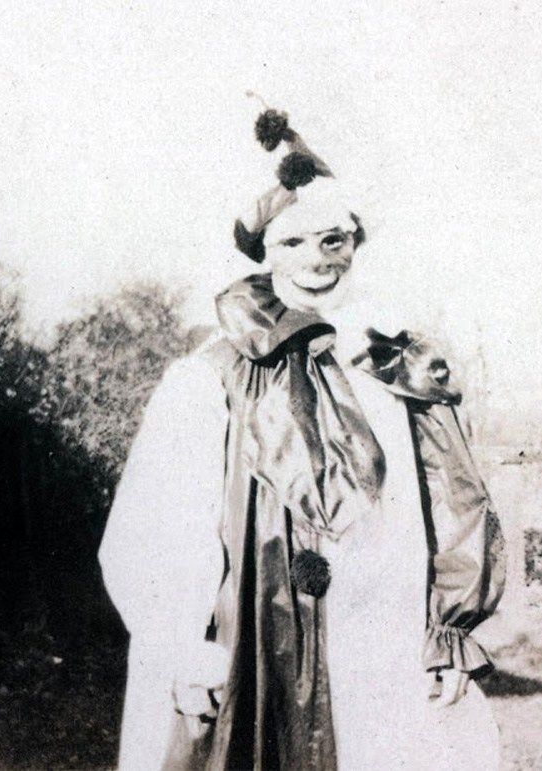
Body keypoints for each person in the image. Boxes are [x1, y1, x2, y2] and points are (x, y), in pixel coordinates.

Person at [99, 105, 506, 771]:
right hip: (265, 647)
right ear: (265, 252)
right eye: (293, 243)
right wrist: (181, 644)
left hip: (384, 654)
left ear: (355, 244)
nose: (317, 261)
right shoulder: (211, 378)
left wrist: (446, 632)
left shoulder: (393, 369)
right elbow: (159, 526)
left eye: (333, 241)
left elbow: (450, 506)